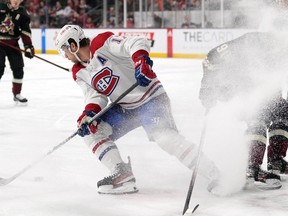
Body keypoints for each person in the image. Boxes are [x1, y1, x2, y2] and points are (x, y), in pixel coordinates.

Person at [55, 24, 219, 195]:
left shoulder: (102, 43)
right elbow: (95, 96)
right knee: (92, 132)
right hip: (125, 109)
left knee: (165, 139)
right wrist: (88, 114)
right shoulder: (78, 71)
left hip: (151, 99)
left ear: (73, 45)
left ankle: (214, 173)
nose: (64, 55)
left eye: (64, 49)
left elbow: (135, 42)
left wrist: (140, 60)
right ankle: (122, 174)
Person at [199, 31, 288, 190]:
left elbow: (273, 83)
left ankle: (276, 160)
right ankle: (251, 167)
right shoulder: (258, 47)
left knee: (283, 111)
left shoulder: (273, 48)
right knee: (258, 116)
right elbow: (209, 60)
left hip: (248, 83)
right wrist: (206, 90)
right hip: (235, 87)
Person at [0, 0, 35, 103]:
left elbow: (25, 31)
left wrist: (28, 46)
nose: (16, 1)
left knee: (18, 68)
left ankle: (17, 93)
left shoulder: (23, 13)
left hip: (13, 45)